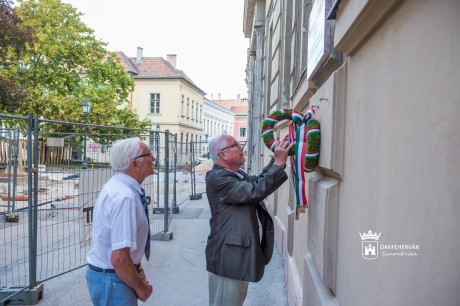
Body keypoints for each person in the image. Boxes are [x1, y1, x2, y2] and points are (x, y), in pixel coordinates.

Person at [205, 132, 294, 306]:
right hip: (228, 259)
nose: (241, 148)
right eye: (235, 145)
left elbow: (257, 181)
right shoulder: (218, 178)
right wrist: (278, 162)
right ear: (222, 154)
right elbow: (254, 190)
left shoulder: (234, 174)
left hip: (235, 256)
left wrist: (276, 159)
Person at [86, 137, 155, 305]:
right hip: (113, 279)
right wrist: (141, 288)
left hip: (112, 277)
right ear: (134, 164)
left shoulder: (121, 187)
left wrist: (137, 268)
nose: (153, 158)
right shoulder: (125, 197)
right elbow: (119, 258)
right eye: (149, 154)